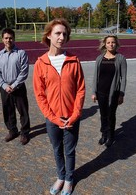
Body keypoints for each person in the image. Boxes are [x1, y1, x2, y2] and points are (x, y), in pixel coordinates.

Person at [33, 18, 85, 195]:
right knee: (57, 150)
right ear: (49, 35)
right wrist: (53, 117)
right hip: (52, 118)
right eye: (57, 33)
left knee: (69, 150)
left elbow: (80, 89)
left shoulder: (74, 60)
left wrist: (76, 114)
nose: (61, 37)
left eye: (64, 33)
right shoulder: (41, 63)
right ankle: (60, 176)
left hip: (72, 117)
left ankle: (69, 179)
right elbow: (40, 95)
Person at [0, 28, 30, 145]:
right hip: (4, 88)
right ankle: (12, 130)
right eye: (6, 38)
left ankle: (24, 132)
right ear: (2, 39)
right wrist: (4, 85)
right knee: (8, 110)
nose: (8, 40)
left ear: (14, 38)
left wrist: (13, 85)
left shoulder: (21, 53)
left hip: (18, 87)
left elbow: (24, 72)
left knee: (23, 111)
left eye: (10, 38)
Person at [91, 35, 127, 147]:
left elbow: (124, 78)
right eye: (108, 42)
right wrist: (94, 92)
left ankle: (111, 136)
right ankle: (104, 134)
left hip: (114, 93)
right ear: (105, 44)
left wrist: (121, 94)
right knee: (103, 114)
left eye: (113, 42)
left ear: (116, 44)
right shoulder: (99, 58)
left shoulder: (121, 58)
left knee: (111, 114)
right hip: (101, 92)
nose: (111, 44)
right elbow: (95, 76)